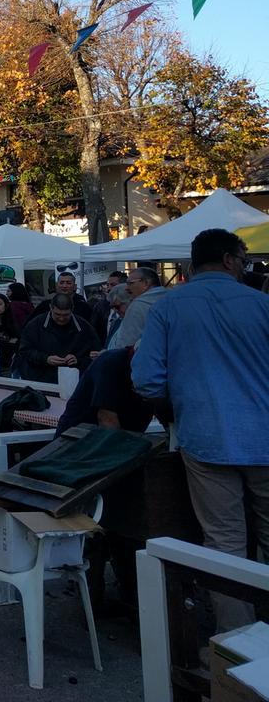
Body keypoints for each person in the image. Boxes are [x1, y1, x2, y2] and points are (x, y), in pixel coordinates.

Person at [133, 229, 269, 629]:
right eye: (243, 260)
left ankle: (238, 647)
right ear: (228, 260)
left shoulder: (168, 307)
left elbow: (146, 379)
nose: (244, 267)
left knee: (224, 544)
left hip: (206, 437)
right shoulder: (262, 304)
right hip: (264, 436)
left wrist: (184, 398)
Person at [15, 293, 99, 385]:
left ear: (72, 309)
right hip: (40, 380)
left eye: (66, 315)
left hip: (72, 381)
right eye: (57, 314)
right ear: (50, 308)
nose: (61, 318)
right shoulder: (35, 325)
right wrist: (46, 359)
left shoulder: (84, 327)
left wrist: (78, 360)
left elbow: (95, 355)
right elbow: (24, 350)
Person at [105, 267, 165, 352]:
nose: (127, 288)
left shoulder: (138, 306)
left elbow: (125, 344)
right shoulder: (171, 300)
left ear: (145, 283)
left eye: (130, 283)